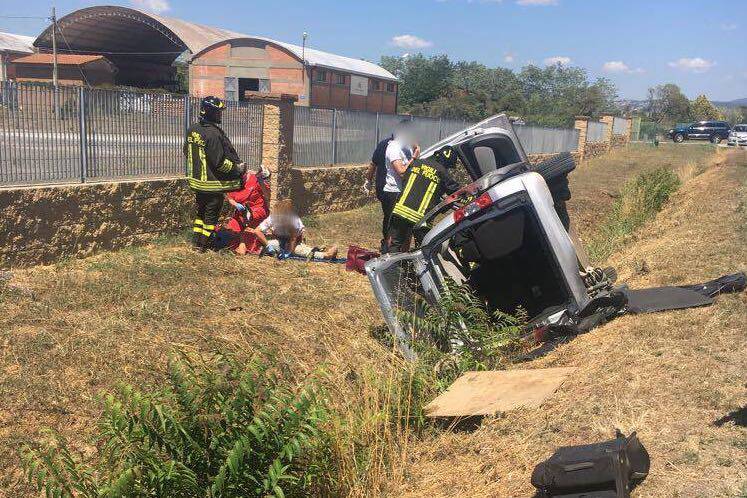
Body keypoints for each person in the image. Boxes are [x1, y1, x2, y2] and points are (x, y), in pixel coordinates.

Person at [183, 96, 246, 252]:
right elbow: (219, 162)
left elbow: (187, 151)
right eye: (217, 112)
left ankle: (195, 242)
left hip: (197, 183)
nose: (220, 115)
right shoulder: (213, 134)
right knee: (210, 217)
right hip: (212, 185)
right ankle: (203, 246)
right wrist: (237, 169)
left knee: (200, 213)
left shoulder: (192, 129)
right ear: (208, 111)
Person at [387, 145, 461, 253]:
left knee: (394, 245)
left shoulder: (416, 163)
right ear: (447, 163)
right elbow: (456, 192)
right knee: (424, 250)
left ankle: (391, 268)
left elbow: (408, 181)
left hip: (400, 211)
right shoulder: (442, 172)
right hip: (420, 219)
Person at [380, 120, 420, 251]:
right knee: (394, 231)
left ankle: (403, 259)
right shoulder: (393, 147)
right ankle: (389, 258)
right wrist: (414, 157)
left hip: (405, 192)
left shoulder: (406, 147)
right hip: (393, 193)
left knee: (407, 229)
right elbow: (402, 172)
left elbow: (415, 168)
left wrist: (415, 151)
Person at [252, 200, 338, 260]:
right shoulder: (273, 218)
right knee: (272, 245)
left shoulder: (294, 221)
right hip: (279, 239)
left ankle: (326, 255)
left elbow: (293, 239)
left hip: (295, 240)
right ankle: (317, 250)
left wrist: (289, 252)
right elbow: (257, 231)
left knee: (298, 250)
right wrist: (267, 245)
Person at [220, 167, 271, 255]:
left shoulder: (254, 179)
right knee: (232, 229)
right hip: (242, 212)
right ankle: (241, 242)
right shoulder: (234, 183)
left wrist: (261, 181)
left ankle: (248, 243)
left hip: (257, 210)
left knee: (248, 228)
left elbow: (267, 195)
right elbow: (230, 198)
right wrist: (236, 205)